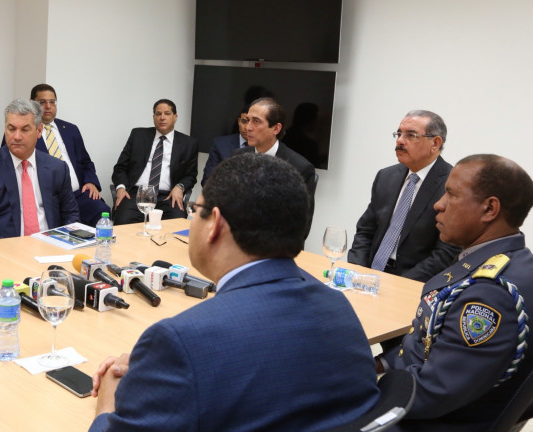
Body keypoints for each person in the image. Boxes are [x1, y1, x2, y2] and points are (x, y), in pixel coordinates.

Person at [90, 154, 380, 431]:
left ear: (214, 224)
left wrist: (108, 402)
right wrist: (155, 371)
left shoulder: (181, 340)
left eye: (195, 210)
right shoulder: (339, 307)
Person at [376, 154, 533, 431]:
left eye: (451, 194)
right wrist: (380, 364)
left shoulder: (490, 295)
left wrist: (365, 388)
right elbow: (422, 343)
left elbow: (434, 391)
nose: (438, 204)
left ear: (489, 209)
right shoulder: (503, 261)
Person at [348, 110, 460, 282]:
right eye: (399, 134)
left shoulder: (451, 186)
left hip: (412, 281)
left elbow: (446, 252)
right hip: (369, 274)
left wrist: (400, 284)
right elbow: (365, 231)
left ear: (435, 143)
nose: (400, 140)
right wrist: (359, 271)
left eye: (411, 135)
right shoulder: (386, 176)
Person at [0, 99, 78, 240]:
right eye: (11, 129)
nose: (17, 137)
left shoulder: (57, 168)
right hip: (5, 247)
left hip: (51, 245)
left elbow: (70, 214)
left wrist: (60, 242)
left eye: (25, 129)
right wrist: (11, 249)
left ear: (39, 130)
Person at [232, 97, 316, 238]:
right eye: (247, 120)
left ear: (276, 128)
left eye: (256, 121)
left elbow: (301, 226)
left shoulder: (300, 168)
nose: (248, 128)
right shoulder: (238, 157)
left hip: (274, 244)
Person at [30, 84, 110, 226]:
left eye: (52, 102)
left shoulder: (70, 129)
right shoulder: (26, 132)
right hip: (47, 198)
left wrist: (91, 182)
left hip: (77, 194)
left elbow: (86, 162)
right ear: (32, 104)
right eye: (42, 102)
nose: (48, 106)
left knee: (101, 210)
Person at [111, 99, 198, 225]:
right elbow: (120, 168)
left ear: (175, 117)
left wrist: (180, 187)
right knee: (123, 222)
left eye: (167, 113)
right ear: (153, 117)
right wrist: (120, 188)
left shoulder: (188, 143)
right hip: (137, 194)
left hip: (168, 196)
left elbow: (191, 175)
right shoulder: (138, 135)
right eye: (158, 114)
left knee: (177, 225)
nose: (162, 117)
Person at [201, 106, 248, 186]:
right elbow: (208, 180)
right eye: (244, 121)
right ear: (239, 121)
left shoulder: (266, 146)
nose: (247, 127)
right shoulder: (221, 144)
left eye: (252, 122)